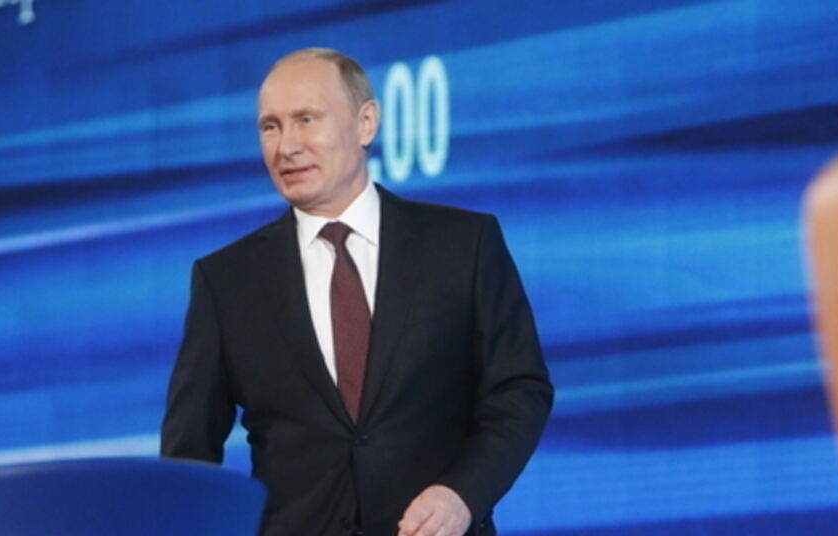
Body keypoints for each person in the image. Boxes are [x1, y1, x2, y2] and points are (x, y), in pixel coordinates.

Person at [161, 48, 553, 536]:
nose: (287, 146)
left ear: (366, 122)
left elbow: (519, 392)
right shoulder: (226, 280)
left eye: (306, 119)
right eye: (270, 127)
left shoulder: (462, 245)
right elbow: (188, 456)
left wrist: (463, 495)